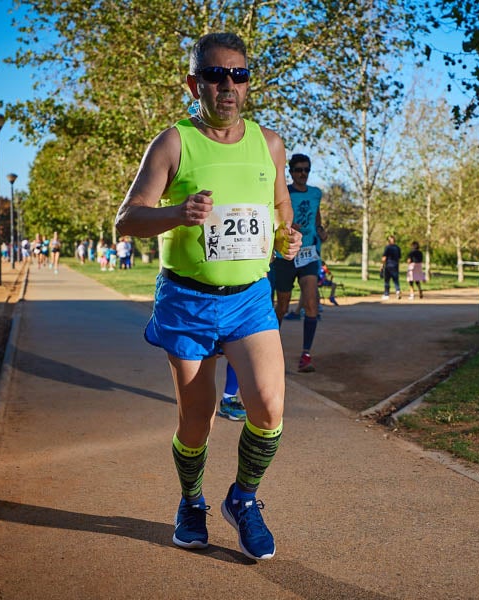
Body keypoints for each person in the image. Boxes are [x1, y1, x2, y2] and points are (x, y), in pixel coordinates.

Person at [114, 32, 301, 561]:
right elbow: (126, 220)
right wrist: (177, 213)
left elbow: (280, 203)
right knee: (197, 419)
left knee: (267, 406)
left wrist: (287, 233)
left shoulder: (270, 143)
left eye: (238, 75)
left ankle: (243, 500)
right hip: (187, 299)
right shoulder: (173, 142)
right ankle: (191, 501)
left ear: (248, 82)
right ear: (194, 83)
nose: (228, 86)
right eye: (216, 75)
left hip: (249, 297)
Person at [271, 153, 327, 373]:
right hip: (286, 255)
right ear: (291, 172)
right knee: (282, 306)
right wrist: (288, 223)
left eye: (306, 170)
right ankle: (271, 353)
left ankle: (306, 355)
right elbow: (276, 215)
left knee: (311, 302)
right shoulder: (284, 191)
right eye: (298, 170)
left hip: (309, 255)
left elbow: (316, 215)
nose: (302, 174)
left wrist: (320, 230)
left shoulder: (316, 193)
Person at [381, 235, 401, 300]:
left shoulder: (387, 247)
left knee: (387, 280)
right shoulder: (398, 248)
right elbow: (399, 258)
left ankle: (386, 294)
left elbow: (384, 258)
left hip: (388, 266)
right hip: (395, 266)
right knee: (396, 280)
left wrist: (382, 265)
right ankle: (397, 290)